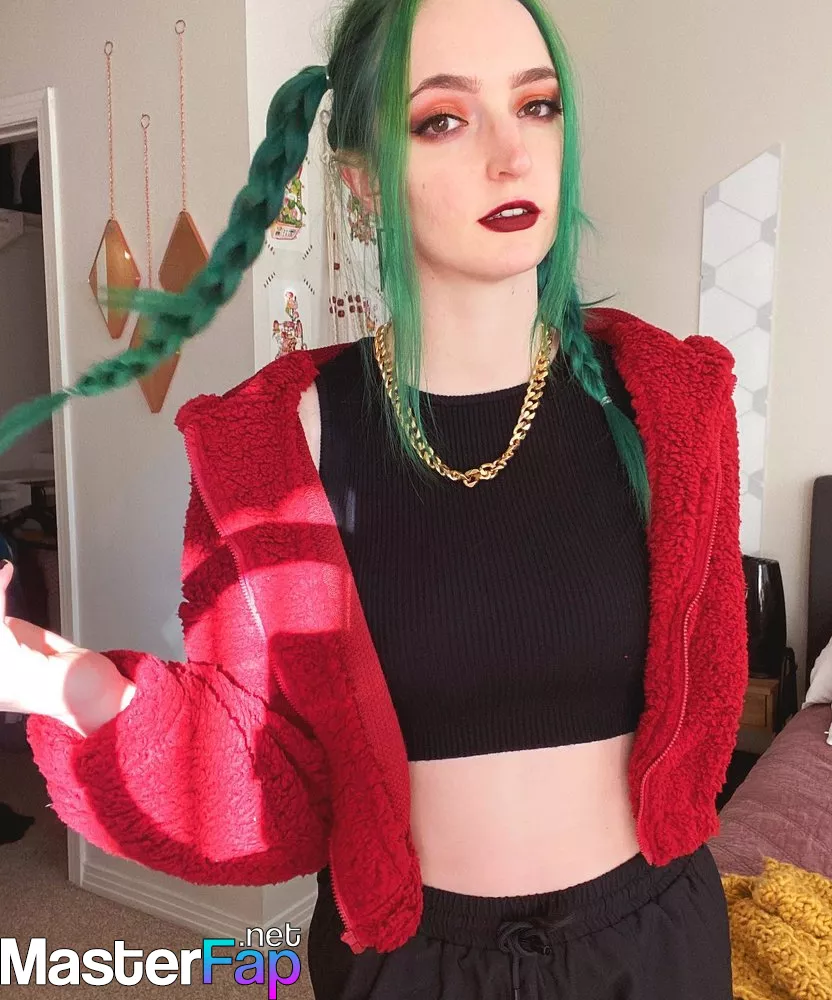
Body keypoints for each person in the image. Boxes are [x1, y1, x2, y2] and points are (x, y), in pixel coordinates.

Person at [0, 0, 750, 996]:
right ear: (362, 183)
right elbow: (262, 782)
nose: (511, 155)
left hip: (654, 947)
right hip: (408, 962)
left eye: (537, 106)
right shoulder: (274, 447)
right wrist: (51, 678)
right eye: (443, 119)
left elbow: (708, 696)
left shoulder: (673, 409)